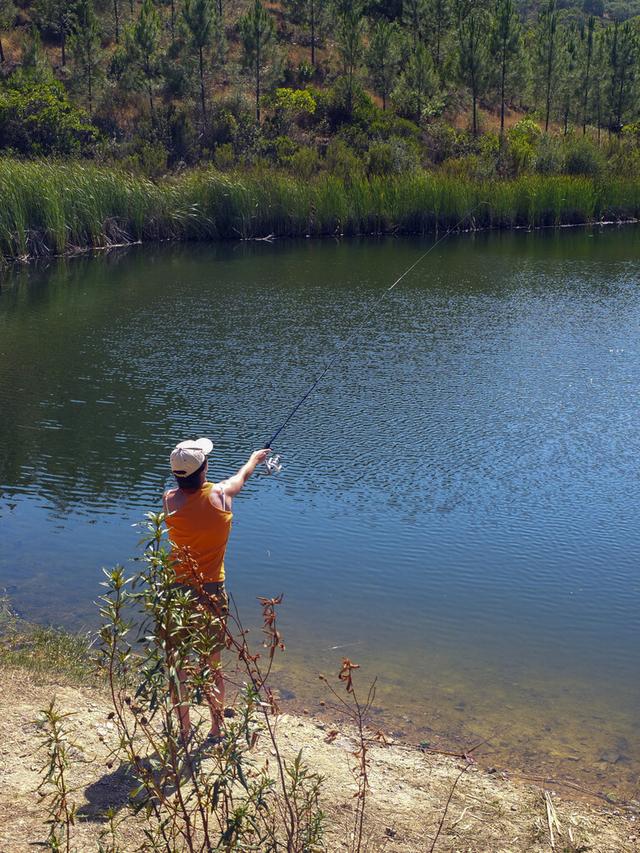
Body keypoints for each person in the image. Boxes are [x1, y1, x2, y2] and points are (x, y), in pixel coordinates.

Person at [163, 438, 270, 744]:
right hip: (210, 592)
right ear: (205, 468)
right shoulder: (221, 496)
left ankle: (183, 730)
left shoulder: (168, 501)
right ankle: (215, 729)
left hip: (177, 591)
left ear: (176, 475)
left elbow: (186, 493)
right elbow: (242, 477)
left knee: (178, 666)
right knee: (213, 665)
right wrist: (254, 457)